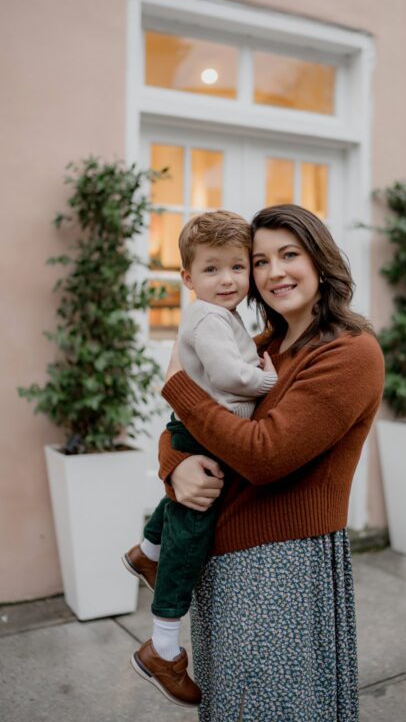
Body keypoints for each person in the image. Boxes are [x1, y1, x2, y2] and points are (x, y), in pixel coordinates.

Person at [155, 204, 383, 721]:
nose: (274, 272)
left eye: (289, 255)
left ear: (320, 261)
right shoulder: (264, 347)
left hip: (282, 563)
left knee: (272, 706)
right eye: (260, 261)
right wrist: (175, 466)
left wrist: (178, 387)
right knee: (231, 703)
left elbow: (264, 454)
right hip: (224, 556)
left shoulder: (350, 353)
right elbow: (190, 430)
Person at [123, 210, 277, 708]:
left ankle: (146, 550)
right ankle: (163, 647)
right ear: (187, 278)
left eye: (237, 267)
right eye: (212, 269)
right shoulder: (210, 316)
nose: (228, 279)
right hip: (201, 433)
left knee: (182, 508)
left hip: (195, 430)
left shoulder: (222, 315)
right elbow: (227, 375)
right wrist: (265, 380)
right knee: (190, 535)